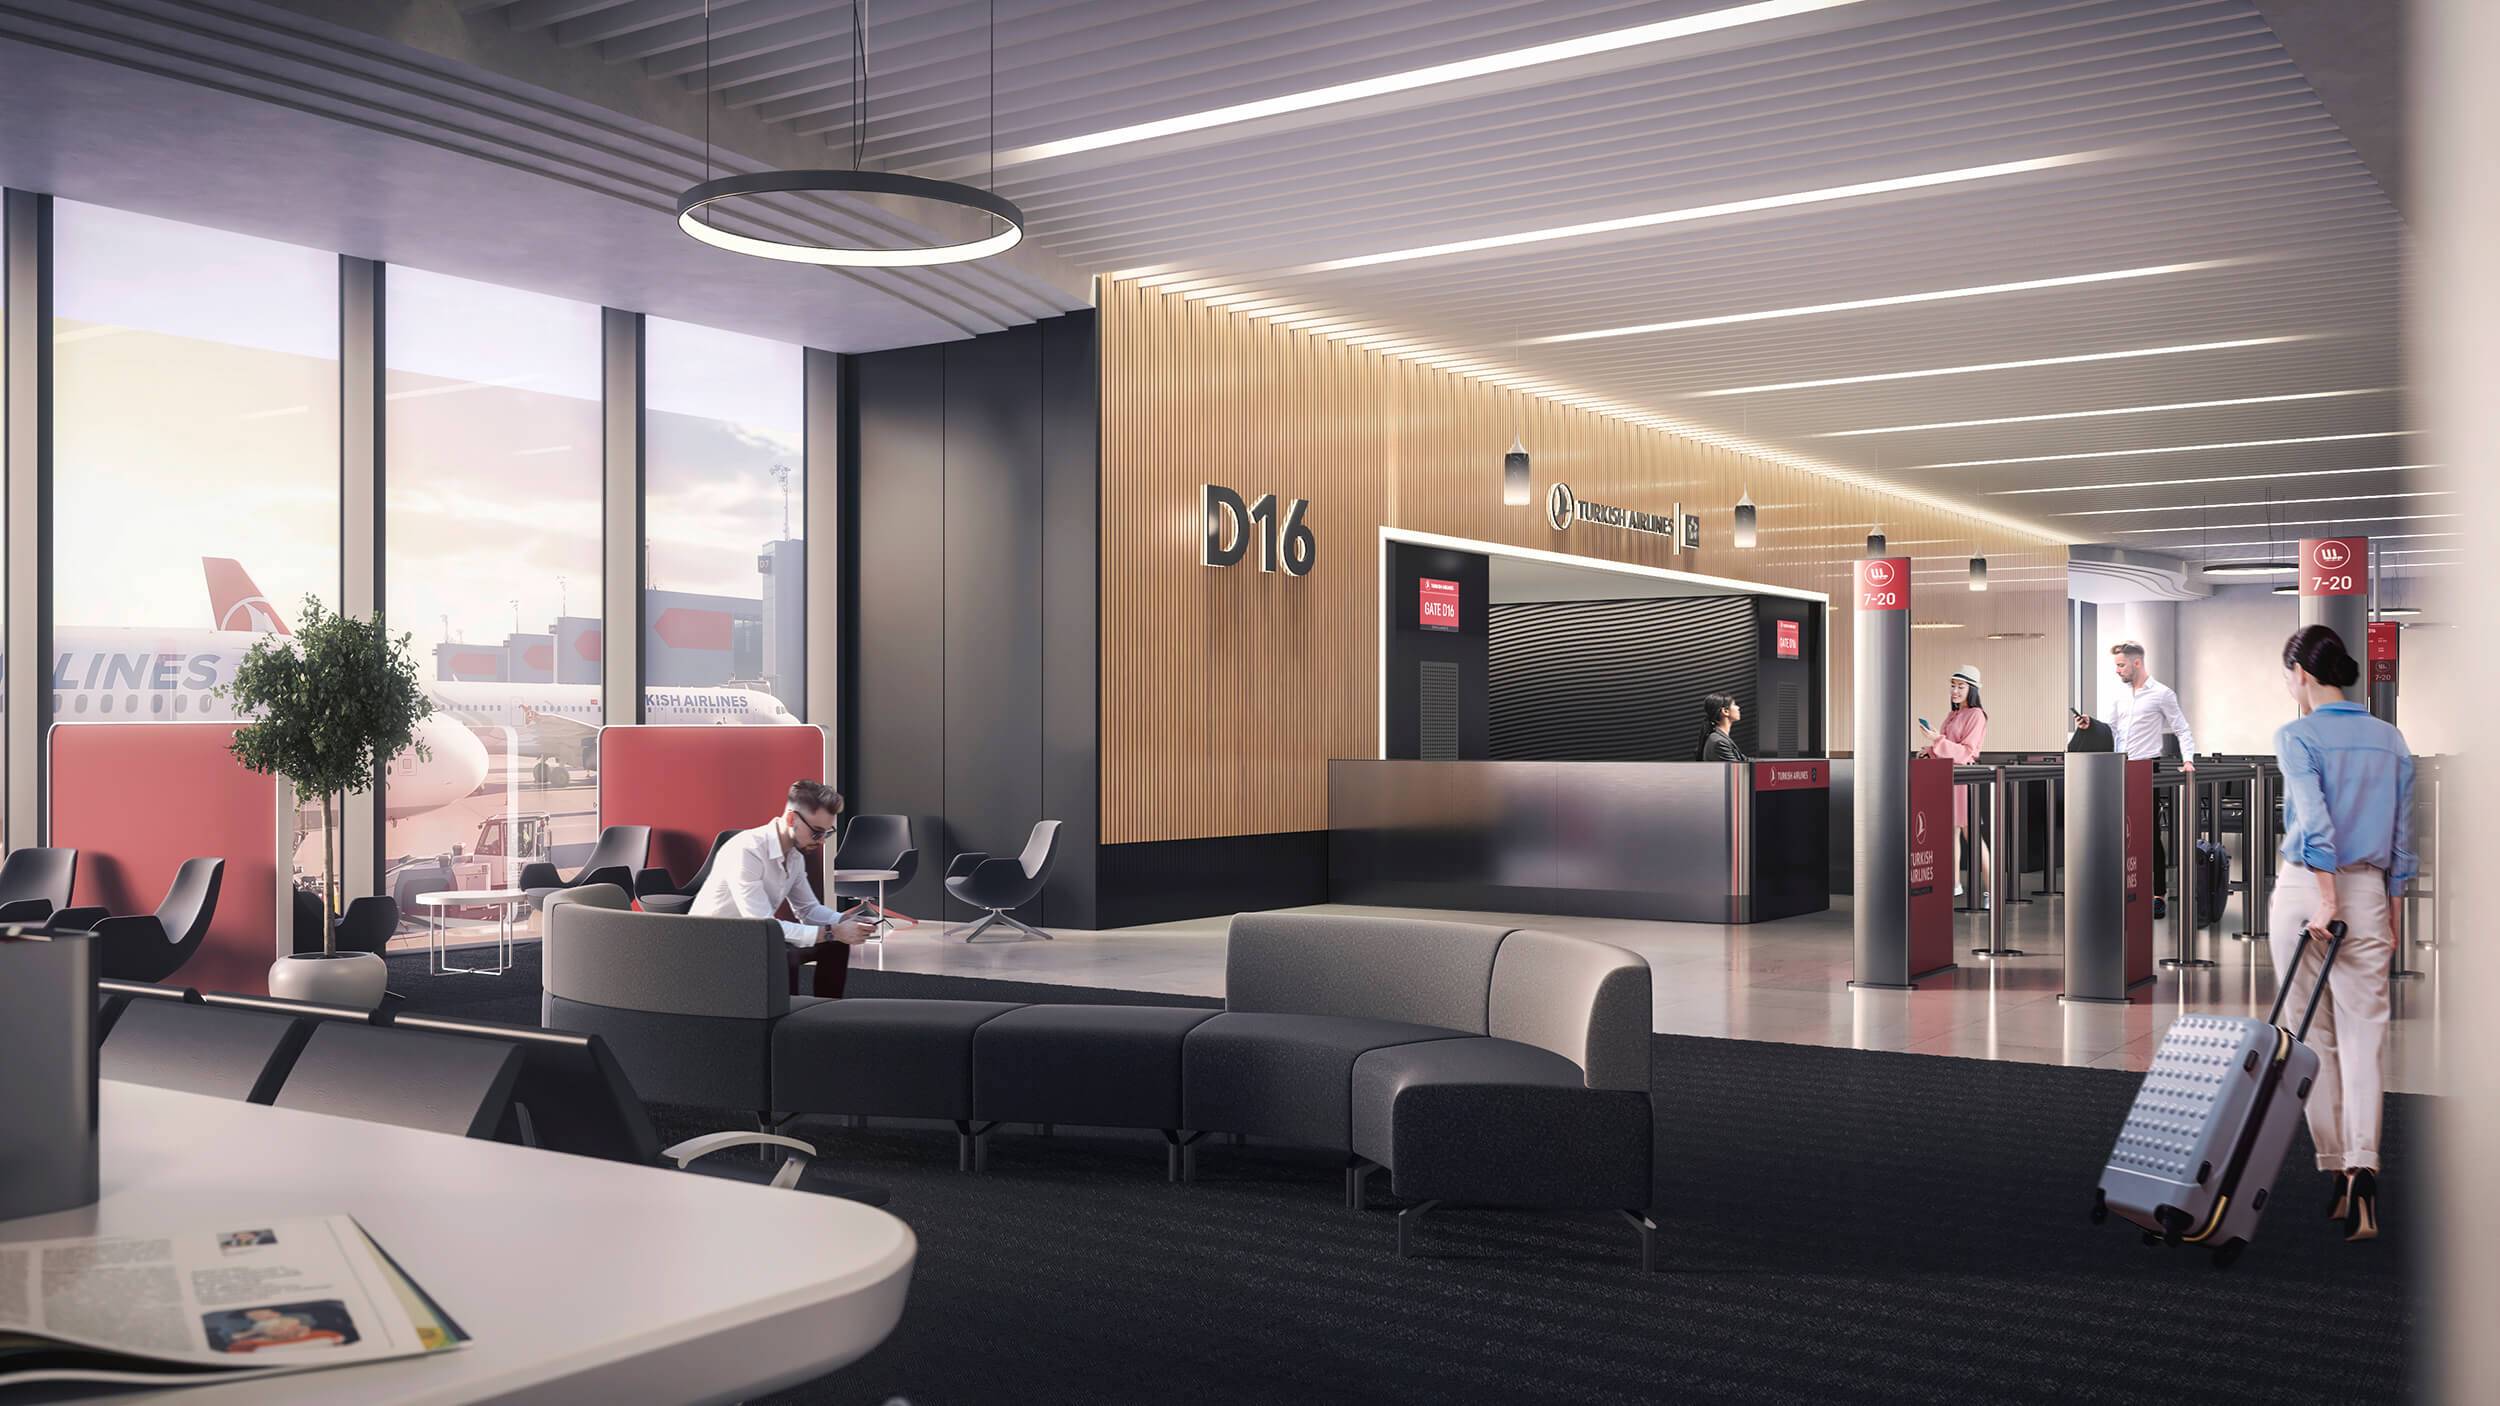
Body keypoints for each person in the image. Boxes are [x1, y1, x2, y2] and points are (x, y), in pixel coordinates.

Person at [2269, 624, 2412, 1243]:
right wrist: (2392, 910)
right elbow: (2404, 837)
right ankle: (2362, 1170)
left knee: (2309, 1035)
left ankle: (2333, 1171)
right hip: (2372, 893)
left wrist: (2325, 901)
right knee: (2364, 1037)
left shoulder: (2297, 735)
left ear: (2300, 673)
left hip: (2310, 891)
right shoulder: (2390, 738)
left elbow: (2315, 819)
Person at [692, 779, 875, 997]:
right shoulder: (746, 851)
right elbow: (763, 925)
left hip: (754, 937)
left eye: (827, 833)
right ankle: (786, 1022)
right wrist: (831, 931)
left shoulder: (795, 856)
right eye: (817, 832)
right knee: (786, 952)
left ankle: (827, 1013)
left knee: (836, 943)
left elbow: (808, 910)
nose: (822, 842)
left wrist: (842, 922)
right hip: (715, 945)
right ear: (791, 819)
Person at [2077, 641, 2198, 916]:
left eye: (2121, 665)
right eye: (2116, 665)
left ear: (2137, 663)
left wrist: (2188, 760)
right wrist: (2090, 723)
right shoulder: (2119, 696)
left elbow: (2182, 729)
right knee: (2117, 832)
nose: (2118, 670)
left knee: (2149, 833)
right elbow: (2111, 729)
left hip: (2146, 767)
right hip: (2118, 767)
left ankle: (2157, 894)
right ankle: (2119, 890)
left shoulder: (2162, 694)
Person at [1918, 666, 1989, 897]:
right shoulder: (1953, 714)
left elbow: (1967, 752)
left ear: (1972, 689)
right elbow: (1947, 747)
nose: (1955, 691)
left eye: (1961, 686)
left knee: (1971, 836)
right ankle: (1954, 883)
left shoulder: (1976, 715)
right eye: (1953, 685)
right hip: (1948, 777)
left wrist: (1936, 739)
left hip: (1963, 779)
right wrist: (1929, 749)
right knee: (1950, 832)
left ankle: (1991, 890)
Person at [1697, 693, 1747, 762]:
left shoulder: (1719, 738)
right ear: (1725, 711)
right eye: (1734, 704)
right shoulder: (1719, 742)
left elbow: (1744, 759)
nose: (1738, 707)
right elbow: (1738, 770)